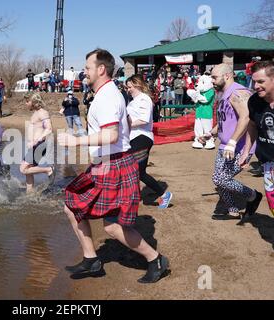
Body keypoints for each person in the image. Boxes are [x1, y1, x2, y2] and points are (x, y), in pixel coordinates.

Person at [58, 49, 170, 283]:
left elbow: (110, 135)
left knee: (110, 224)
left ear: (101, 69)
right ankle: (91, 259)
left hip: (113, 163)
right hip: (110, 162)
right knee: (81, 210)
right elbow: (126, 123)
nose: (84, 72)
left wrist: (76, 140)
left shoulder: (107, 96)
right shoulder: (108, 93)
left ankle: (155, 259)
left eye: (88, 67)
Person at [199, 64, 259, 221]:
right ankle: (232, 209)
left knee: (221, 179)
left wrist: (232, 142)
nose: (211, 81)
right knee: (218, 179)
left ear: (227, 76)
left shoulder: (238, 92)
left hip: (238, 146)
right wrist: (210, 133)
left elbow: (246, 118)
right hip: (226, 146)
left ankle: (253, 195)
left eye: (214, 77)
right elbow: (224, 119)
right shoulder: (224, 93)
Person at [125, 75, 173, 209]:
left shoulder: (144, 99)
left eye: (130, 87)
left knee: (138, 171)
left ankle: (164, 195)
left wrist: (125, 126)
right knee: (133, 169)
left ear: (138, 85)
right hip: (135, 138)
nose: (128, 90)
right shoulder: (134, 100)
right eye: (127, 87)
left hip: (142, 137)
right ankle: (134, 195)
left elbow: (144, 120)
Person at [243, 60, 274, 221]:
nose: (256, 86)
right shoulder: (254, 102)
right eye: (254, 81)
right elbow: (252, 125)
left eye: (261, 82)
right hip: (269, 165)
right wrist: (246, 151)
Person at [20, 92, 55, 193]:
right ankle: (29, 193)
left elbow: (49, 129)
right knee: (29, 170)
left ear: (34, 102)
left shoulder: (42, 112)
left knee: (23, 169)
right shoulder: (36, 113)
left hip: (40, 145)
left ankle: (48, 170)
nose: (26, 104)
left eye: (27, 101)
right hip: (35, 145)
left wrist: (36, 141)